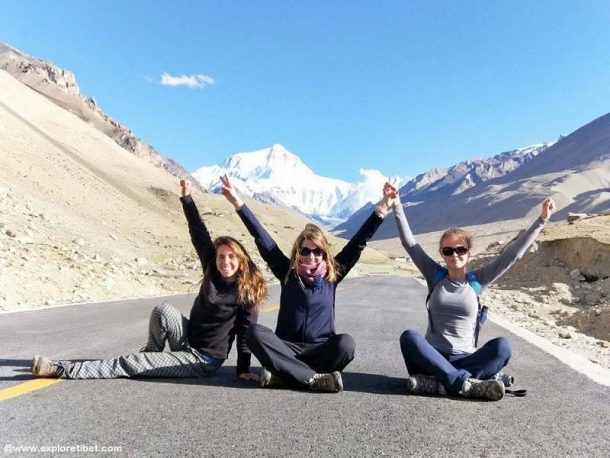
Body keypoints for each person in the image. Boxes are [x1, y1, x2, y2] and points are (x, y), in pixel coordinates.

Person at [31, 179, 267, 381]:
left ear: (241, 259)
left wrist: (243, 369)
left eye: (231, 257)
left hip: (204, 359)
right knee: (162, 310)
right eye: (221, 256)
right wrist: (187, 199)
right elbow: (199, 233)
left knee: (129, 363)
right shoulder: (211, 268)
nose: (225, 262)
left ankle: (63, 369)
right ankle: (150, 355)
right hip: (187, 337)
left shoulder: (248, 292)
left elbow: (246, 333)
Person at [220, 175, 395, 392]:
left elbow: (357, 244)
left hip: (320, 351)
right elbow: (263, 240)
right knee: (254, 333)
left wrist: (382, 209)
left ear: (324, 254)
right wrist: (238, 203)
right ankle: (312, 379)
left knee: (346, 344)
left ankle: (285, 376)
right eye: (305, 250)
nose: (310, 256)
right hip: (287, 349)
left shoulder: (333, 275)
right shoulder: (287, 273)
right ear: (297, 252)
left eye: (317, 251)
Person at [390, 181, 555, 401]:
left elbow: (512, 255)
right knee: (409, 337)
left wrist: (541, 220)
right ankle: (463, 383)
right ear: (442, 254)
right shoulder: (435, 275)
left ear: (469, 252)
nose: (454, 254)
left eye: (460, 249)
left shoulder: (478, 280)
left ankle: (440, 383)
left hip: (466, 359)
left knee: (503, 346)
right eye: (448, 250)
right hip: (432, 358)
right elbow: (409, 243)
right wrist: (397, 204)